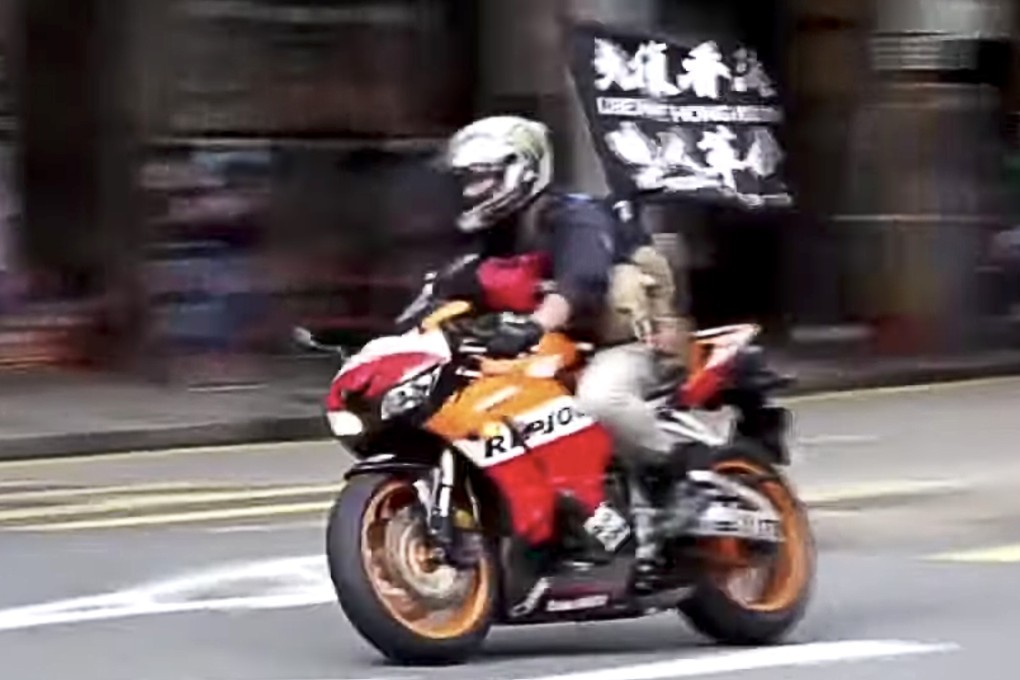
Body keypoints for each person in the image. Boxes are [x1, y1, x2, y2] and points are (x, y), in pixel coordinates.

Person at [439, 115, 700, 567]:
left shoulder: (574, 215)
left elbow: (583, 281)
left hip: (624, 344)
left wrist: (534, 325)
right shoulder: (495, 235)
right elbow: (448, 289)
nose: (474, 190)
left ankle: (679, 483)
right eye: (469, 180)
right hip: (551, 350)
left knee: (601, 400)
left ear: (522, 168)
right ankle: (560, 522)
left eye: (485, 177)